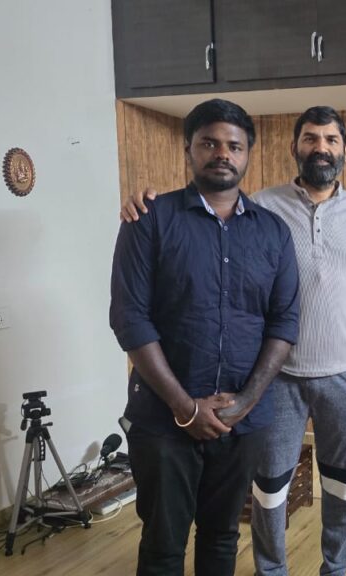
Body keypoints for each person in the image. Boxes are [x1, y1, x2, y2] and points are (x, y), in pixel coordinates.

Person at [121, 105, 346, 576]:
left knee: (342, 486)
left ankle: (337, 568)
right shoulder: (261, 207)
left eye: (331, 139)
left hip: (330, 378)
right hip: (273, 382)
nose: (321, 148)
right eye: (310, 138)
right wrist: (142, 202)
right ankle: (271, 570)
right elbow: (132, 317)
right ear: (294, 147)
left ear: (345, 149)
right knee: (266, 491)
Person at [110, 98, 300, 576]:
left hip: (242, 423)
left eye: (234, 146)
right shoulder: (149, 220)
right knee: (162, 545)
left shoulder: (273, 233)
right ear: (188, 150)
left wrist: (245, 403)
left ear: (248, 154)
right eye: (209, 143)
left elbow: (284, 323)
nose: (222, 154)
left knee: (221, 537)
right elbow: (130, 320)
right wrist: (185, 407)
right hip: (163, 420)